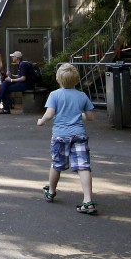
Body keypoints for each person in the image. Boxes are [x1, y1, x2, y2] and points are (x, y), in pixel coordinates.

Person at [37, 63, 97, 215]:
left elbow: (50, 114)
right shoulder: (82, 96)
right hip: (79, 135)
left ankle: (51, 191)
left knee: (57, 164)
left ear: (58, 79)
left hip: (60, 136)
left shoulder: (54, 95)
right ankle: (88, 200)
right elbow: (90, 117)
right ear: (77, 80)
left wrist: (41, 121)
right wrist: (79, 115)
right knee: (83, 167)